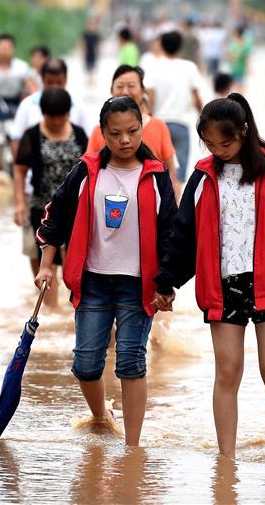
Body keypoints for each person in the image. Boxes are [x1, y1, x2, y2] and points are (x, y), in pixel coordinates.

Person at [152, 93, 265, 459]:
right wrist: (167, 281)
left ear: (244, 131)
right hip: (223, 288)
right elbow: (183, 235)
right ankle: (226, 462)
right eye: (210, 144)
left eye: (226, 142)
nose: (218, 150)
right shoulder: (203, 176)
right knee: (228, 373)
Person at [35, 95, 178, 447]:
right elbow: (58, 216)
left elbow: (171, 232)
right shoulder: (86, 170)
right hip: (93, 279)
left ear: (142, 128)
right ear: (103, 133)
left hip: (138, 284)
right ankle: (101, 416)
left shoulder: (156, 175)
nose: (125, 141)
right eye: (115, 134)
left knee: (131, 362)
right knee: (85, 364)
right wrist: (45, 266)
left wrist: (167, 283)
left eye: (132, 131)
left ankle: (133, 447)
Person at [13, 89, 88, 308]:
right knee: (46, 265)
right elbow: (19, 171)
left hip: (75, 211)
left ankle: (71, 315)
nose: (55, 121)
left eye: (60, 116)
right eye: (50, 116)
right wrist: (20, 204)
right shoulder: (32, 135)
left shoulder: (80, 134)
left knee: (75, 266)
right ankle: (51, 313)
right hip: (42, 209)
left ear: (68, 113)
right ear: (43, 113)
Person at [85, 65, 180, 197]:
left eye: (131, 86)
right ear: (111, 90)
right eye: (119, 86)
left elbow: (171, 171)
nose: (125, 91)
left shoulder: (159, 126)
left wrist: (172, 202)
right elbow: (89, 171)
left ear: (142, 91)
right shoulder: (98, 131)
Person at [145, 30, 204, 182]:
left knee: (158, 170)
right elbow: (196, 96)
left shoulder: (153, 67)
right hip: (181, 123)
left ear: (162, 46)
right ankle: (176, 203)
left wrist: (149, 118)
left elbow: (150, 95)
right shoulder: (189, 67)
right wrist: (203, 117)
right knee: (178, 174)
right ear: (180, 47)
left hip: (158, 124)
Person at [0, 33, 37, 136]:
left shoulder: (22, 67)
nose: (4, 50)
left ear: (13, 49)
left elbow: (32, 88)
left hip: (17, 102)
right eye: (1, 47)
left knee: (33, 118)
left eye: (7, 47)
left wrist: (34, 101)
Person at [226, 26, 253, 94]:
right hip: (234, 68)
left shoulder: (244, 44)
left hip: (240, 68)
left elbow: (248, 57)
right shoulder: (235, 43)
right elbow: (229, 54)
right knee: (234, 87)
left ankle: (239, 103)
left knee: (240, 88)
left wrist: (249, 68)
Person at [82, 18, 100, 85]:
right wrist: (83, 52)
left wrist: (98, 52)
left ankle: (92, 79)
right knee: (87, 65)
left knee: (93, 65)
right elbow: (83, 43)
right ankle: (88, 79)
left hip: (93, 52)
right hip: (87, 52)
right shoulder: (85, 34)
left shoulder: (96, 35)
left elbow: (97, 44)